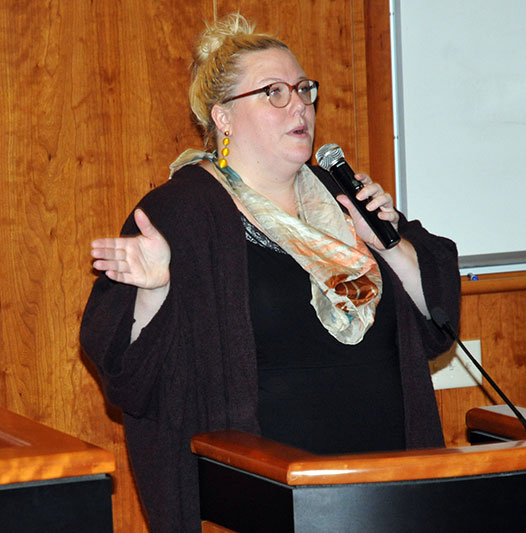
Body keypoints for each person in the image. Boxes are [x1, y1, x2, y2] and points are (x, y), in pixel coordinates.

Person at [80, 13, 460, 533]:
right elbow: (125, 375)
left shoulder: (345, 198)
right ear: (223, 118)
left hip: (389, 486)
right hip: (260, 499)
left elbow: (436, 323)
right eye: (273, 93)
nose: (299, 105)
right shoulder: (180, 215)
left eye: (304, 90)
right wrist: (155, 293)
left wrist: (391, 246)